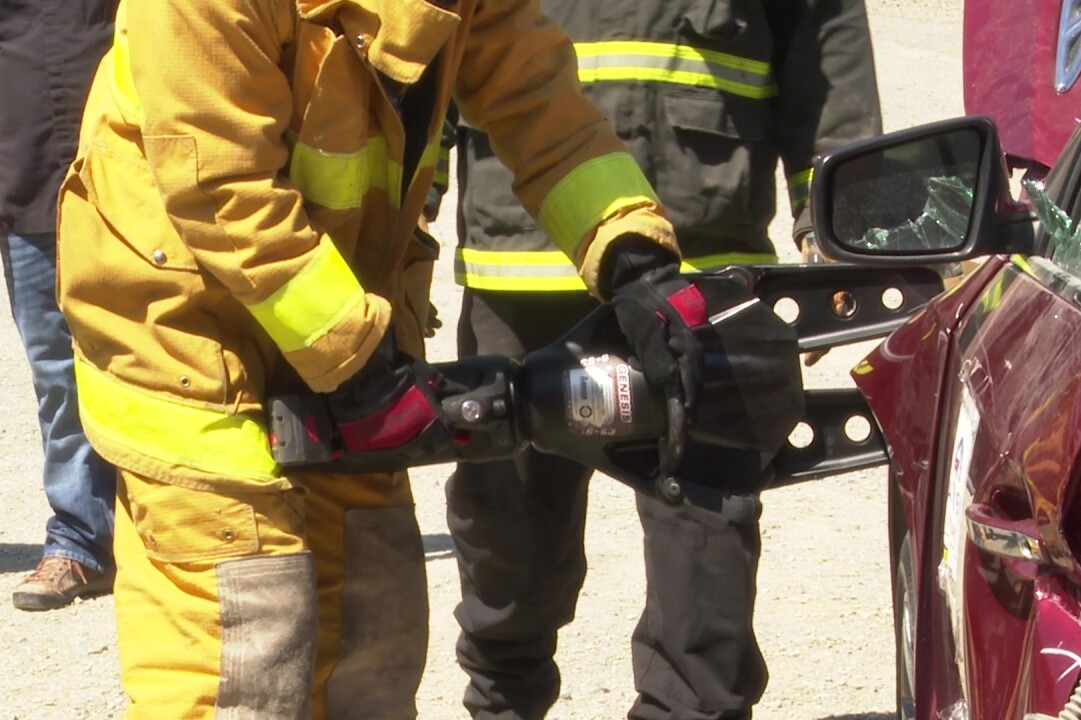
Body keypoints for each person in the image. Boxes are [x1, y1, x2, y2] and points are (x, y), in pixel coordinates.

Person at [55, 0, 733, 717]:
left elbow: (539, 103)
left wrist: (631, 254)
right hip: (188, 345)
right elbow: (220, 187)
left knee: (371, 639)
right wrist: (357, 357)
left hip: (343, 311)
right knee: (242, 651)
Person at [446, 1, 883, 718]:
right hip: (523, 261)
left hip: (701, 273)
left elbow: (825, 39)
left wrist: (845, 216)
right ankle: (503, 703)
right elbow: (420, 40)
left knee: (706, 539)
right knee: (510, 543)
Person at [0, 0, 118, 612]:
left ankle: (179, 529)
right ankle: (82, 537)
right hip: (25, 164)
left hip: (133, 164)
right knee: (56, 368)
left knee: (173, 349)